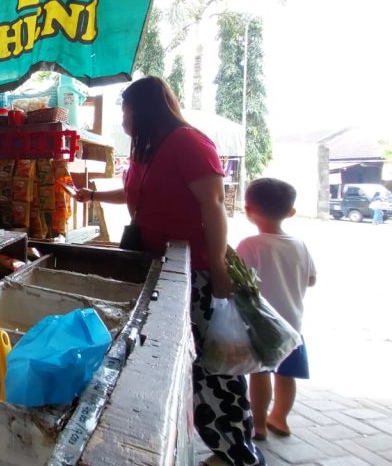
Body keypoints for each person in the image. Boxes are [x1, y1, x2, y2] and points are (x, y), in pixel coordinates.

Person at [76, 77, 265, 466]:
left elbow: (214, 206)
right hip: (156, 265)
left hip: (195, 271)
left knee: (212, 363)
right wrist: (92, 195)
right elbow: (136, 193)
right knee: (175, 358)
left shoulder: (188, 142)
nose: (123, 118)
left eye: (126, 109)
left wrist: (218, 266)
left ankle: (237, 448)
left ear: (144, 109)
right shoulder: (146, 148)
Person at [236, 178, 317, 441]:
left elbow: (239, 281)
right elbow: (311, 280)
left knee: (260, 372)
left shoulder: (250, 244)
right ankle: (280, 418)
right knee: (286, 374)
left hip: (262, 325)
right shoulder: (300, 244)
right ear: (291, 212)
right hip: (293, 325)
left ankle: (259, 424)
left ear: (248, 210)